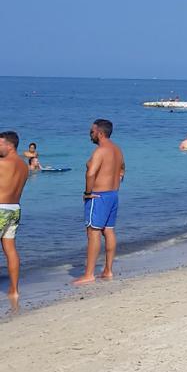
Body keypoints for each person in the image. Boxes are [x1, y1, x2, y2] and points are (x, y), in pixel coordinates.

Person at [73, 119, 125, 286]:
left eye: (92, 131)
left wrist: (87, 193)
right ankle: (108, 270)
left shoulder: (100, 151)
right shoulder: (117, 149)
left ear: (100, 133)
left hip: (99, 196)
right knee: (108, 231)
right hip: (112, 194)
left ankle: (89, 274)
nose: (90, 134)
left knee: (93, 233)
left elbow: (90, 174)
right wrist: (116, 182)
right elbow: (122, 168)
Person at [0, 131, 29, 300]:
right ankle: (14, 289)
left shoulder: (3, 163)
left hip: (1, 208)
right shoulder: (23, 165)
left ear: (10, 145)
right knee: (10, 250)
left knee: (10, 250)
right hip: (14, 209)